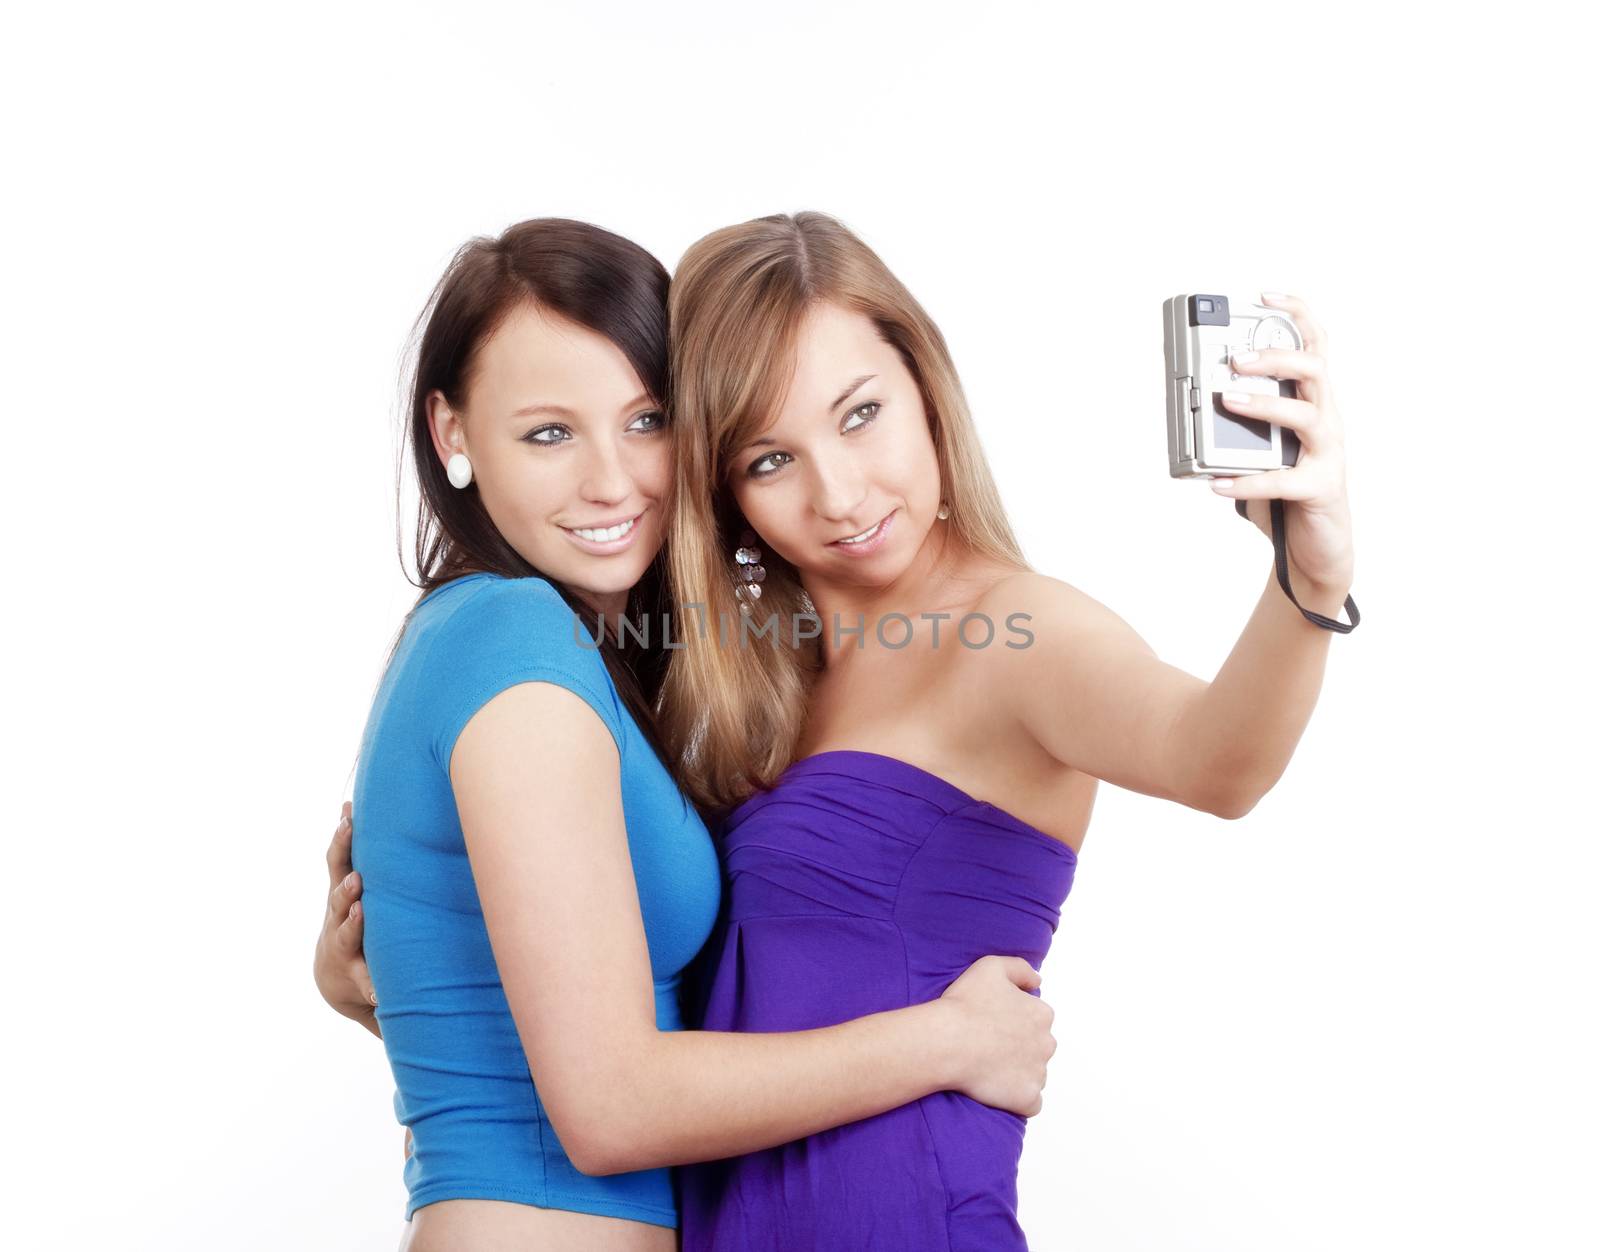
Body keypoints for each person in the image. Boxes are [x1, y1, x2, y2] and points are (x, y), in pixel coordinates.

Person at [319, 216, 1057, 1252]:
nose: (612, 481)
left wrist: (374, 991)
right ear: (450, 435)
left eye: (646, 420)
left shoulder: (558, 655)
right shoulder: (512, 636)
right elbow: (611, 1108)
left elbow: (513, 1033)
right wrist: (949, 1039)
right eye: (547, 432)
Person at [646, 211, 1357, 1250]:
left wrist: (1311, 580)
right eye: (769, 459)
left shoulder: (1019, 634)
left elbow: (1219, 759)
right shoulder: (743, 681)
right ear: (722, 488)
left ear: (926, 387)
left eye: (859, 414)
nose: (838, 494)